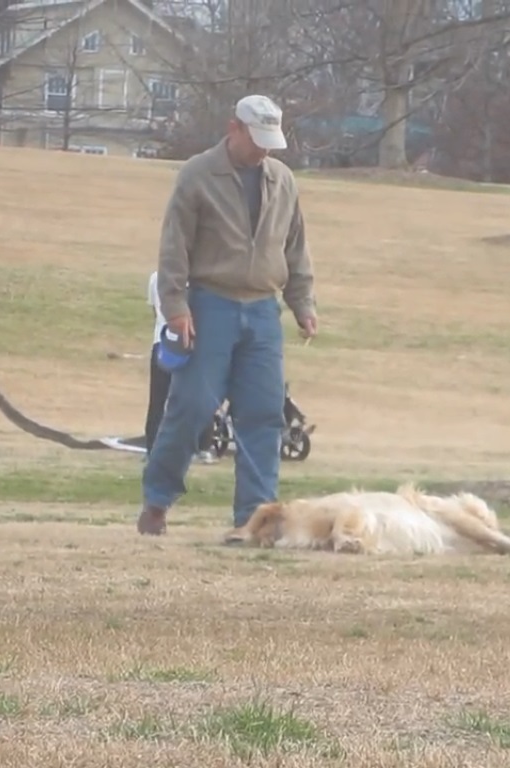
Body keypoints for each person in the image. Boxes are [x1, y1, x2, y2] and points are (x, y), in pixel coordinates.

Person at [137, 94, 318, 537]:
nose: (264, 151)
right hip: (209, 304)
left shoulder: (282, 180)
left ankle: (254, 519)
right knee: (191, 407)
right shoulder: (198, 175)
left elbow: (294, 245)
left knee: (263, 414)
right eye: (257, 140)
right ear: (233, 128)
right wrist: (176, 306)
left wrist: (303, 302)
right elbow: (174, 246)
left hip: (262, 310)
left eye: (270, 143)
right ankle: (158, 500)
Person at [142, 270, 217, 465]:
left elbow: (154, 311)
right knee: (200, 393)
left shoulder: (155, 277)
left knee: (158, 399)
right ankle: (203, 446)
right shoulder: (193, 279)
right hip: (188, 342)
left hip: (162, 341)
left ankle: (152, 447)